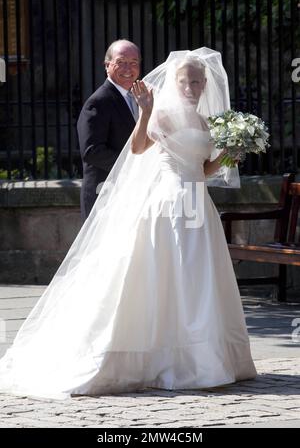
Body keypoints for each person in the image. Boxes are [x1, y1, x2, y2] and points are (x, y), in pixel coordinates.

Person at [0, 48, 256, 400]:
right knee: (171, 275)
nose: (191, 86)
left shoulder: (205, 121)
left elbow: (203, 169)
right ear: (175, 82)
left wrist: (229, 154)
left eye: (197, 81)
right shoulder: (162, 114)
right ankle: (169, 358)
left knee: (199, 277)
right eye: (185, 80)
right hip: (170, 201)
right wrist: (146, 111)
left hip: (199, 203)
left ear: (205, 83)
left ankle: (205, 358)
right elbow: (136, 150)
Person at [77, 39, 140, 220]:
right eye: (121, 62)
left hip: (130, 194)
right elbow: (92, 151)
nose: (128, 68)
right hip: (104, 193)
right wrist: (133, 168)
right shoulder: (98, 102)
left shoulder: (138, 97)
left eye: (134, 63)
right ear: (107, 65)